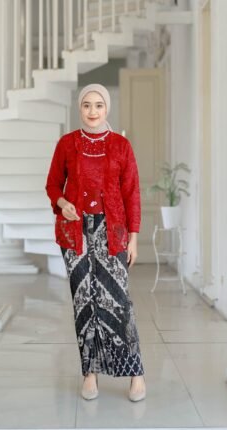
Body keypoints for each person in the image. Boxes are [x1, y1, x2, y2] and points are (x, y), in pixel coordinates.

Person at [45, 83, 146, 402]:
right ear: (80, 108)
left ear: (107, 108)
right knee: (83, 303)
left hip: (112, 232)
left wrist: (133, 239)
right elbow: (52, 185)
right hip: (74, 233)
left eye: (98, 105)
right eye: (87, 105)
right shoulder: (66, 144)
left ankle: (135, 373)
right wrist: (63, 204)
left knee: (118, 302)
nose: (92, 111)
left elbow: (132, 193)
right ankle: (89, 374)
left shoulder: (121, 145)